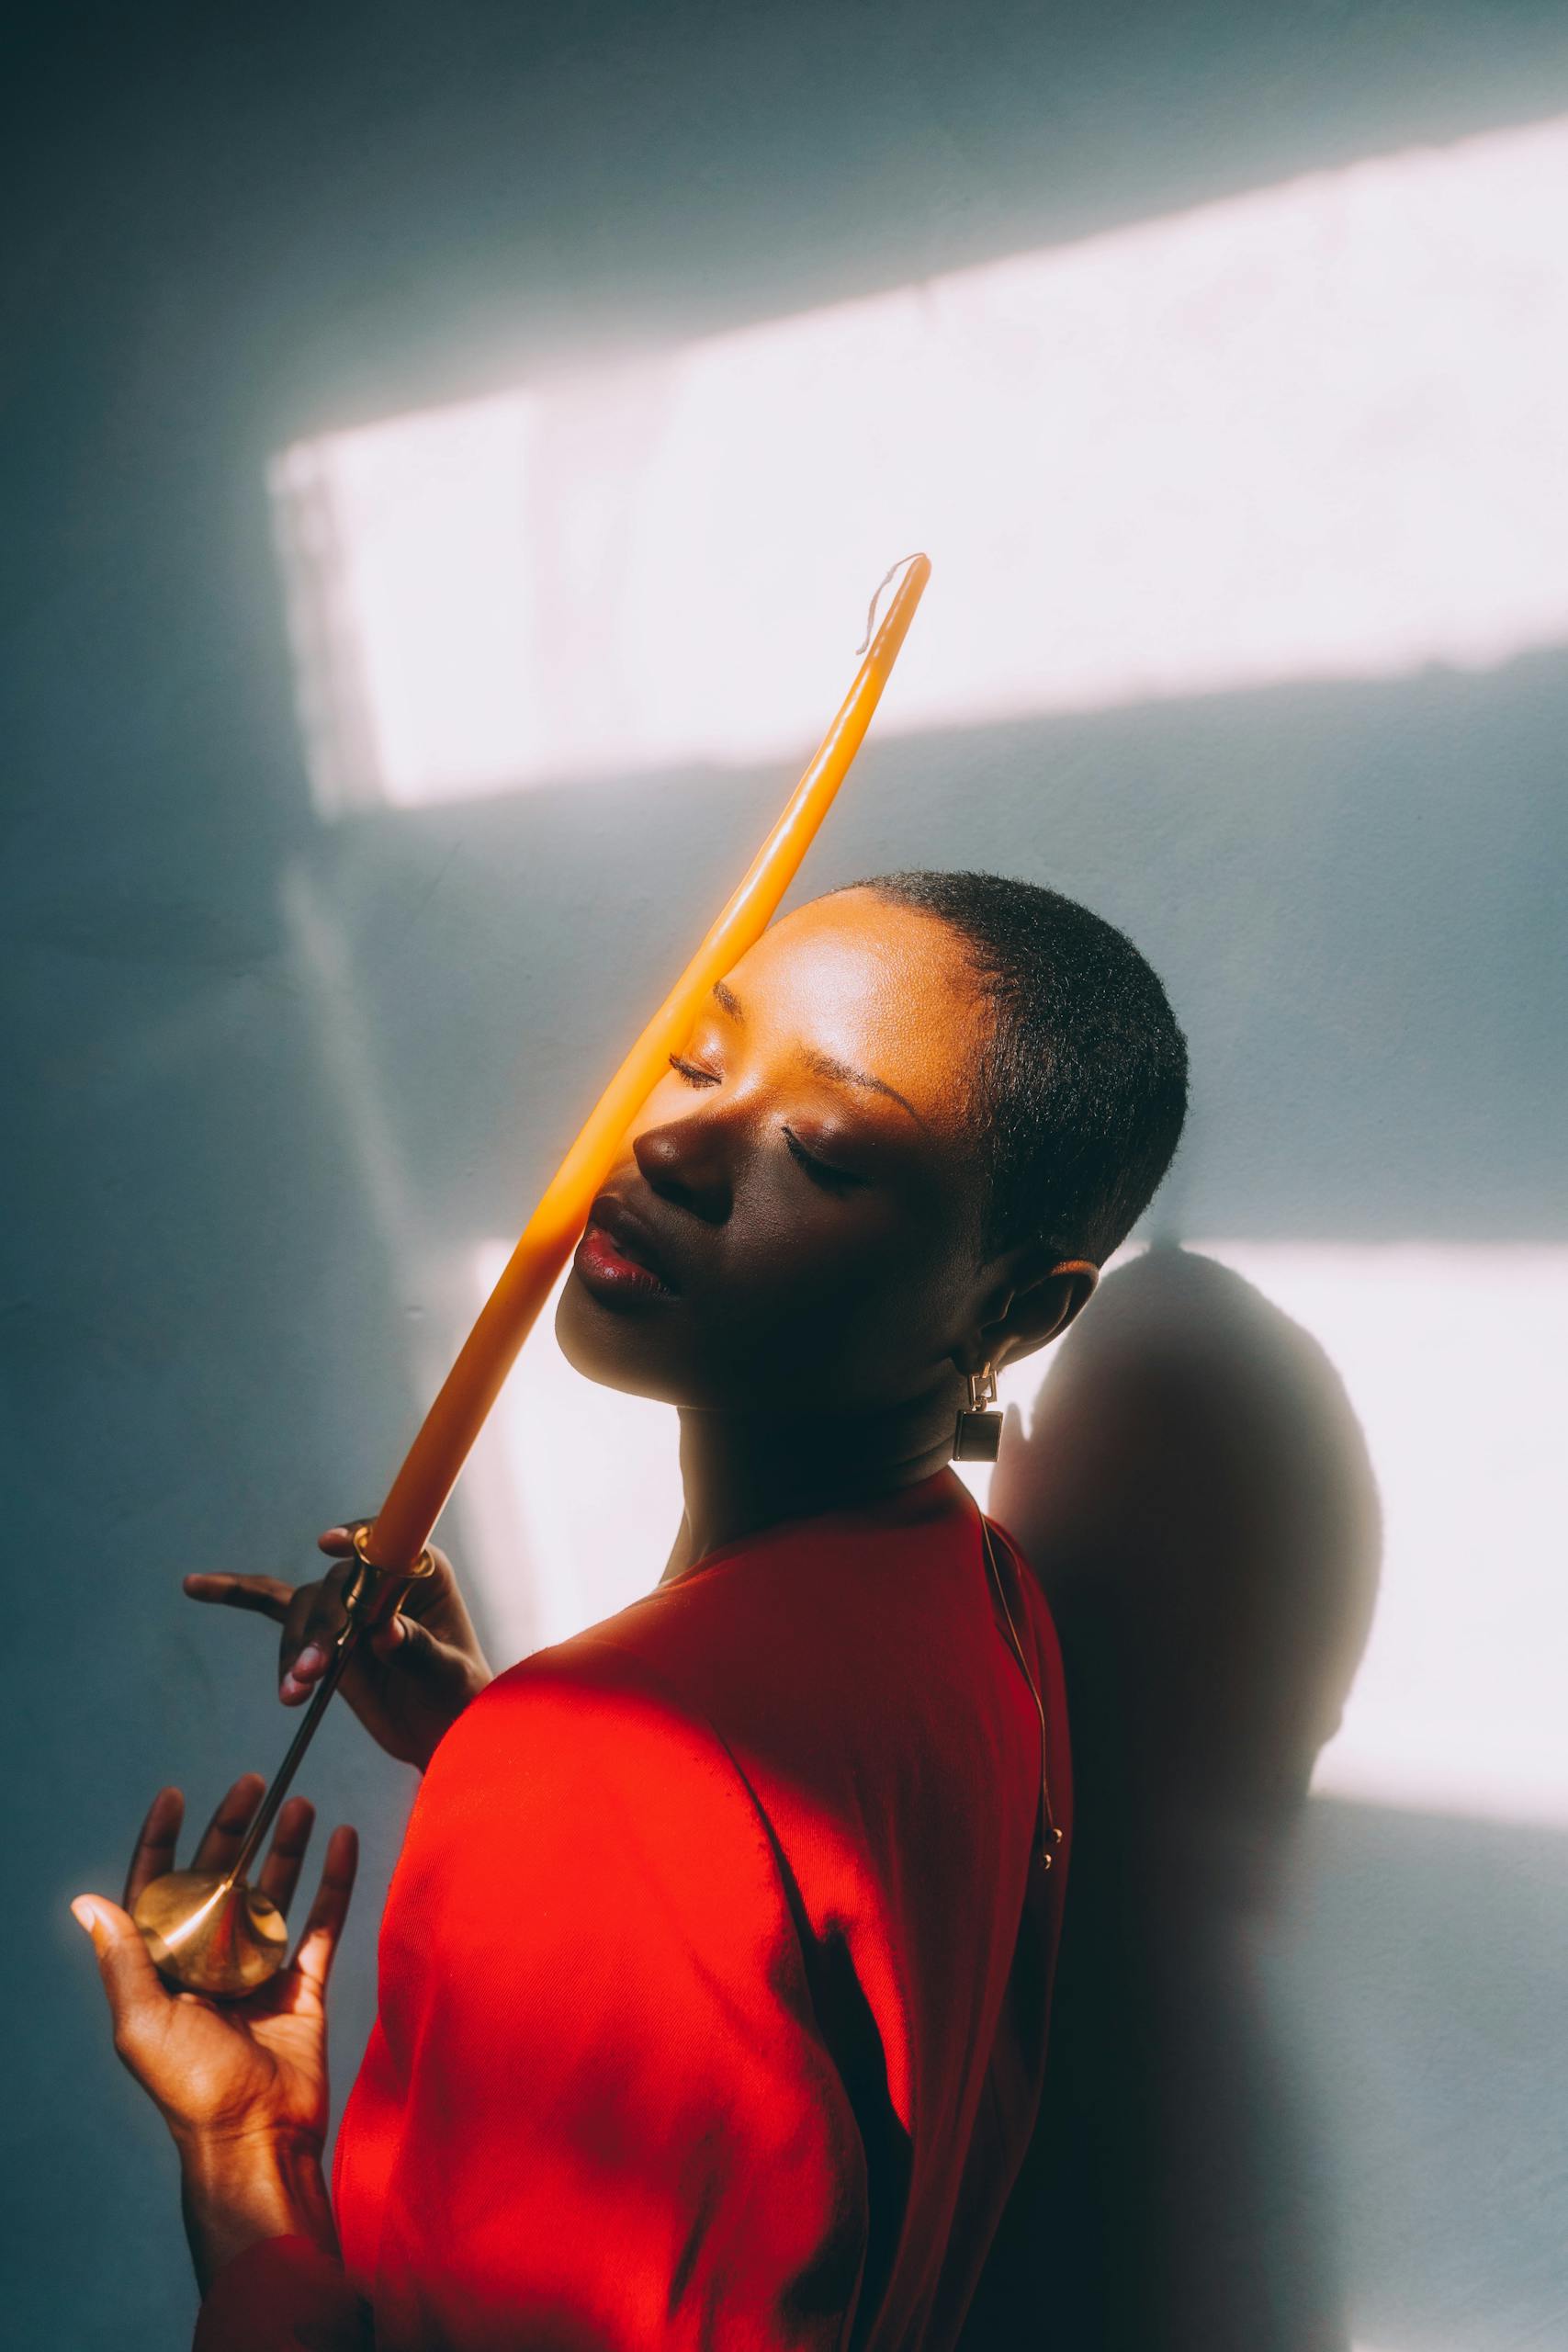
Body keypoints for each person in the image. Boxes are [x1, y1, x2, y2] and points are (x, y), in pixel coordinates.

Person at [73, 869, 1189, 2349]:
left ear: (1016, 1312)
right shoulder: (987, 1606)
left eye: (827, 1147)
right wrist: (504, 1757)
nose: (672, 1140)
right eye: (699, 1054)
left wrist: (243, 2160)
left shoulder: (609, 1767)